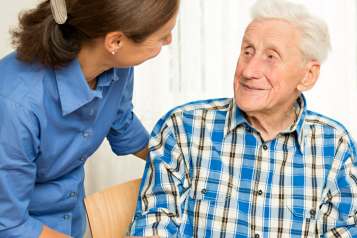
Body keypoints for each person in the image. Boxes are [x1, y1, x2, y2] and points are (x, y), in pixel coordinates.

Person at [127, 0, 357, 237]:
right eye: (247, 52)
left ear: (308, 75)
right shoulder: (182, 128)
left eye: (271, 57)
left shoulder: (335, 146)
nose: (248, 71)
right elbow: (155, 220)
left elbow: (345, 230)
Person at [0, 0, 180, 237]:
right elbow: (10, 223)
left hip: (70, 220)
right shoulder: (17, 104)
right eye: (162, 36)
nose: (168, 41)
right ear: (115, 41)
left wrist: (180, 164)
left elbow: (120, 123)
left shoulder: (117, 65)